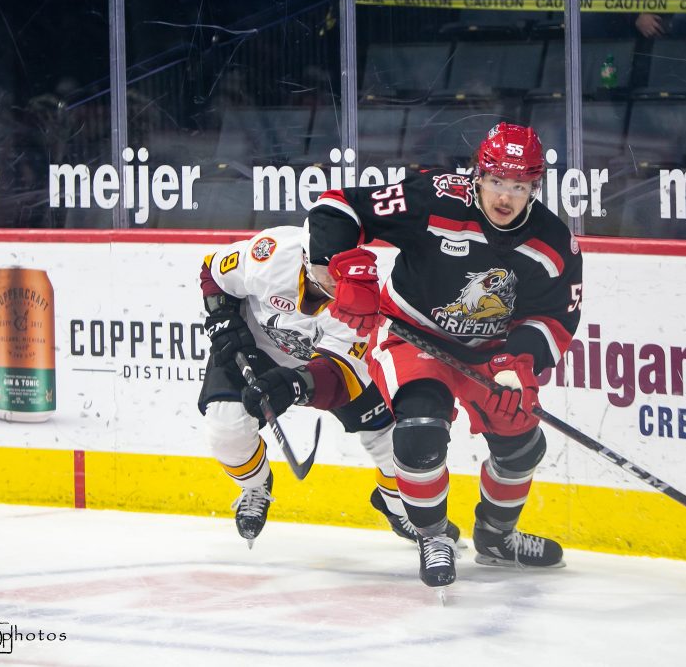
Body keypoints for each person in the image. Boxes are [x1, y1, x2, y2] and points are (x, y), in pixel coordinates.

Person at [305, 123, 584, 587]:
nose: (504, 197)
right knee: (419, 432)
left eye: (518, 186)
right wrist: (341, 269)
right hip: (412, 335)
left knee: (522, 446)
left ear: (535, 187)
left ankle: (497, 538)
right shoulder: (434, 198)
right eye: (496, 182)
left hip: (490, 354)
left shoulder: (553, 245)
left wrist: (520, 359)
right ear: (478, 176)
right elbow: (337, 206)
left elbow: (557, 318)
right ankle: (432, 536)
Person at [198, 225, 461, 549]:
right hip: (255, 347)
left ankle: (398, 508)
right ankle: (255, 485)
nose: (333, 281)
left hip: (323, 368)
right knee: (226, 429)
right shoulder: (270, 253)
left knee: (396, 444)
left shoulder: (365, 303)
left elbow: (341, 378)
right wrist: (223, 318)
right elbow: (213, 269)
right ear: (307, 256)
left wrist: (295, 385)